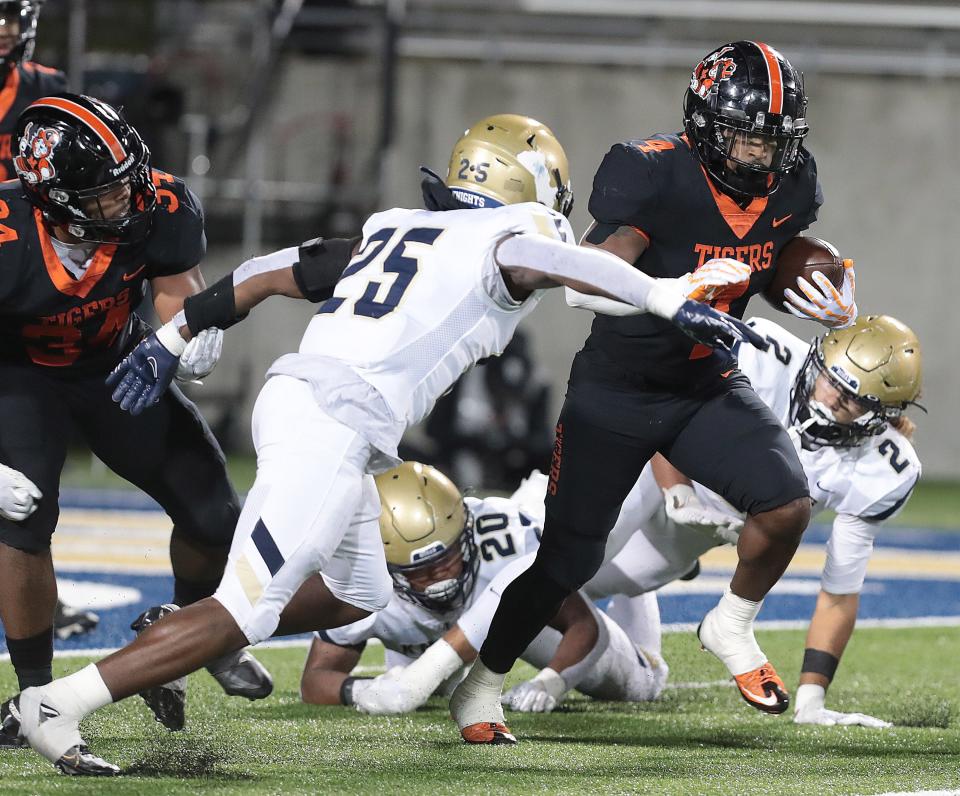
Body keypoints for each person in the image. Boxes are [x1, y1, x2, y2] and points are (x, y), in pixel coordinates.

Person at [7, 112, 766, 775]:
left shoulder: (399, 224)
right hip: (332, 418)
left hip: (316, 402)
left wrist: (179, 330)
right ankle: (58, 704)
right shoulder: (513, 233)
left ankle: (175, 639)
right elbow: (571, 266)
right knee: (248, 609)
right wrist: (669, 298)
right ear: (531, 189)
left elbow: (277, 270)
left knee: (357, 592)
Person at [451, 41, 860, 744]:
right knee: (567, 562)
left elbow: (774, 259)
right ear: (703, 124)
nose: (761, 158)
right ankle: (479, 685)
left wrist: (822, 286)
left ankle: (729, 625)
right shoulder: (649, 171)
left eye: (773, 142)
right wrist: (667, 295)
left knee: (787, 503)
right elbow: (586, 282)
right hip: (617, 391)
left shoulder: (793, 187)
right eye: (744, 138)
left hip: (705, 382)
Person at [0, 93, 272, 748]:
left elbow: (177, 281)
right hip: (18, 377)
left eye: (129, 180)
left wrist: (183, 333)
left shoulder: (162, 205)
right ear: (53, 199)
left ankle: (180, 631)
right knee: (23, 520)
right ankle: (34, 691)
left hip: (117, 365)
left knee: (214, 517)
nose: (129, 200)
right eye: (103, 195)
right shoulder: (7, 238)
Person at [582, 314, 921, 728]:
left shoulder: (885, 468)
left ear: (878, 417)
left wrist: (812, 699)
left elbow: (839, 591)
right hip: (652, 466)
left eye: (851, 399)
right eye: (829, 379)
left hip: (702, 529)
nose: (829, 397)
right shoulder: (763, 353)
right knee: (565, 566)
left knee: (586, 589)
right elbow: (660, 399)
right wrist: (676, 489)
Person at [300, 463, 667, 715]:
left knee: (641, 684)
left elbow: (583, 624)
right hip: (432, 631)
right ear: (386, 565)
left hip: (536, 565)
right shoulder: (364, 581)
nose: (442, 575)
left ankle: (637, 585)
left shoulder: (504, 544)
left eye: (449, 555)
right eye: (422, 570)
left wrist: (551, 681)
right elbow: (315, 680)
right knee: (437, 689)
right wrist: (361, 691)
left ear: (466, 531)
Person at [0, 0, 104, 643]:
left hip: (25, 274)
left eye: (9, 13)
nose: (3, 27)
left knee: (32, 465)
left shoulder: (47, 91)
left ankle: (38, 597)